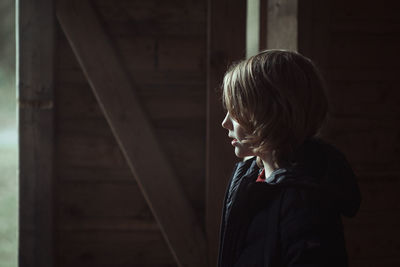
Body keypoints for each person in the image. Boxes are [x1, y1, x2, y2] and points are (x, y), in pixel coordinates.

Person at [218, 49, 361, 267]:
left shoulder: (306, 204)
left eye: (236, 111)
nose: (225, 123)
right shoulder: (247, 179)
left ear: (269, 113)